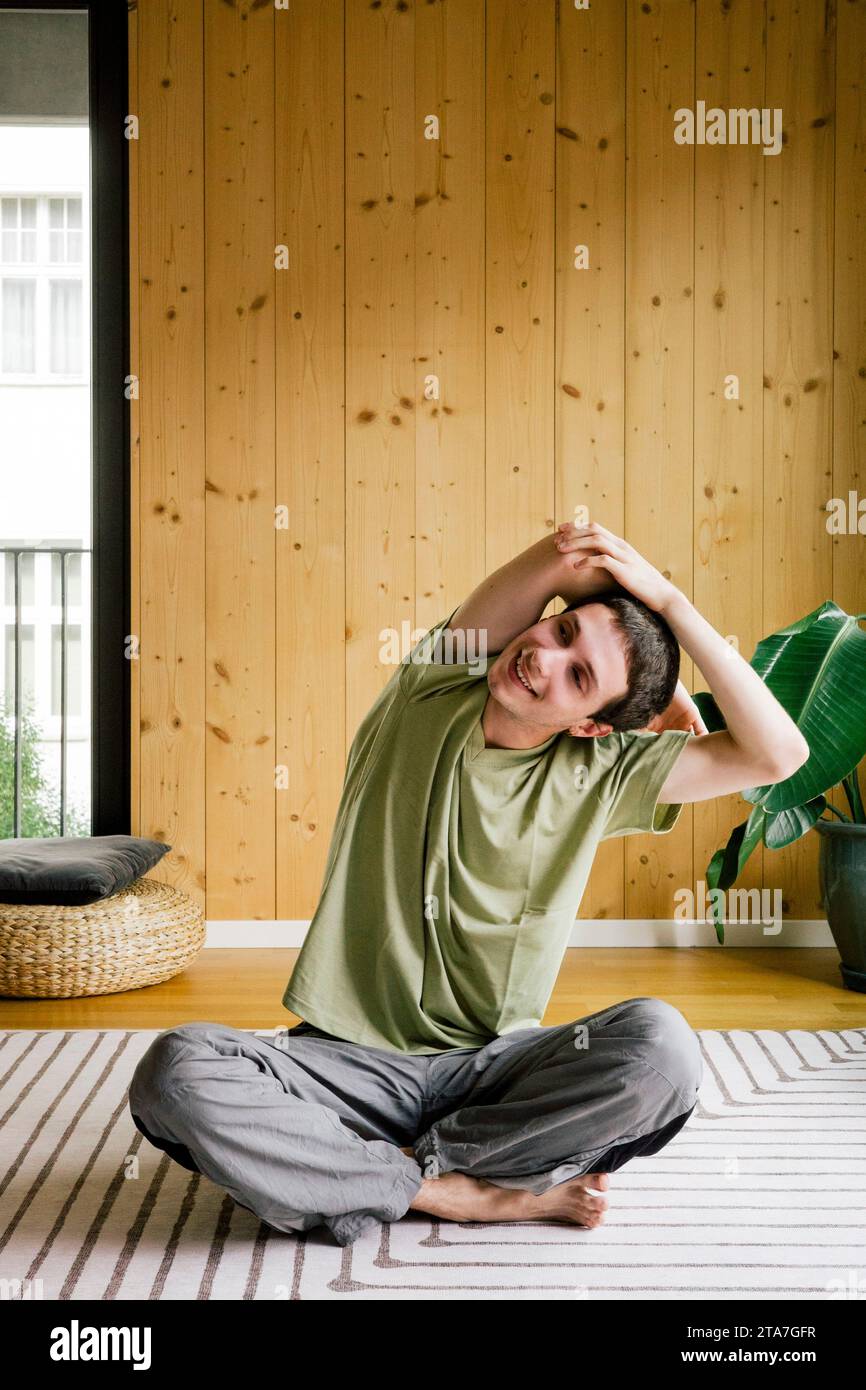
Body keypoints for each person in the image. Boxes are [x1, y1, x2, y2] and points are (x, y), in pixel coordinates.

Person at [128, 522, 809, 1246]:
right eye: (564, 631)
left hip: (492, 1072)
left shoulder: (604, 776)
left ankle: (367, 1174)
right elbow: (564, 556)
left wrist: (673, 605)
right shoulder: (432, 683)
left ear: (590, 729)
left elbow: (780, 754)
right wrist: (644, 654)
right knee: (176, 1069)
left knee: (663, 1048)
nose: (545, 658)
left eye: (579, 677)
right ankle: (459, 1193)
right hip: (344, 1065)